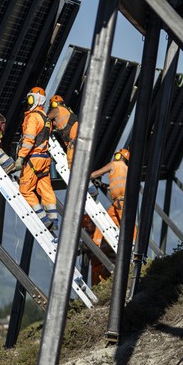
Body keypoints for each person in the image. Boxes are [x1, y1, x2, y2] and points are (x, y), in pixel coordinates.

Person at [9, 87, 59, 231]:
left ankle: (43, 219)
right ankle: (53, 220)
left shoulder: (32, 117)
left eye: (30, 98)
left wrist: (20, 157)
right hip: (45, 159)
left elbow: (29, 139)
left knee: (25, 190)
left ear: (35, 99)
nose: (28, 102)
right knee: (46, 189)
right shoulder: (46, 118)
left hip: (33, 159)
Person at [86, 148, 131, 283]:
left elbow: (97, 173)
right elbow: (117, 186)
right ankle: (99, 242)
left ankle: (130, 248)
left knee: (126, 229)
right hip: (121, 202)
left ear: (119, 156)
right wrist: (104, 186)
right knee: (106, 219)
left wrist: (87, 176)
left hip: (120, 203)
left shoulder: (114, 164)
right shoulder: (126, 169)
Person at [46, 94, 78, 167]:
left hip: (73, 142)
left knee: (72, 167)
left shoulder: (57, 109)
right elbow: (58, 123)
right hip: (76, 141)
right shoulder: (66, 111)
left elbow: (45, 119)